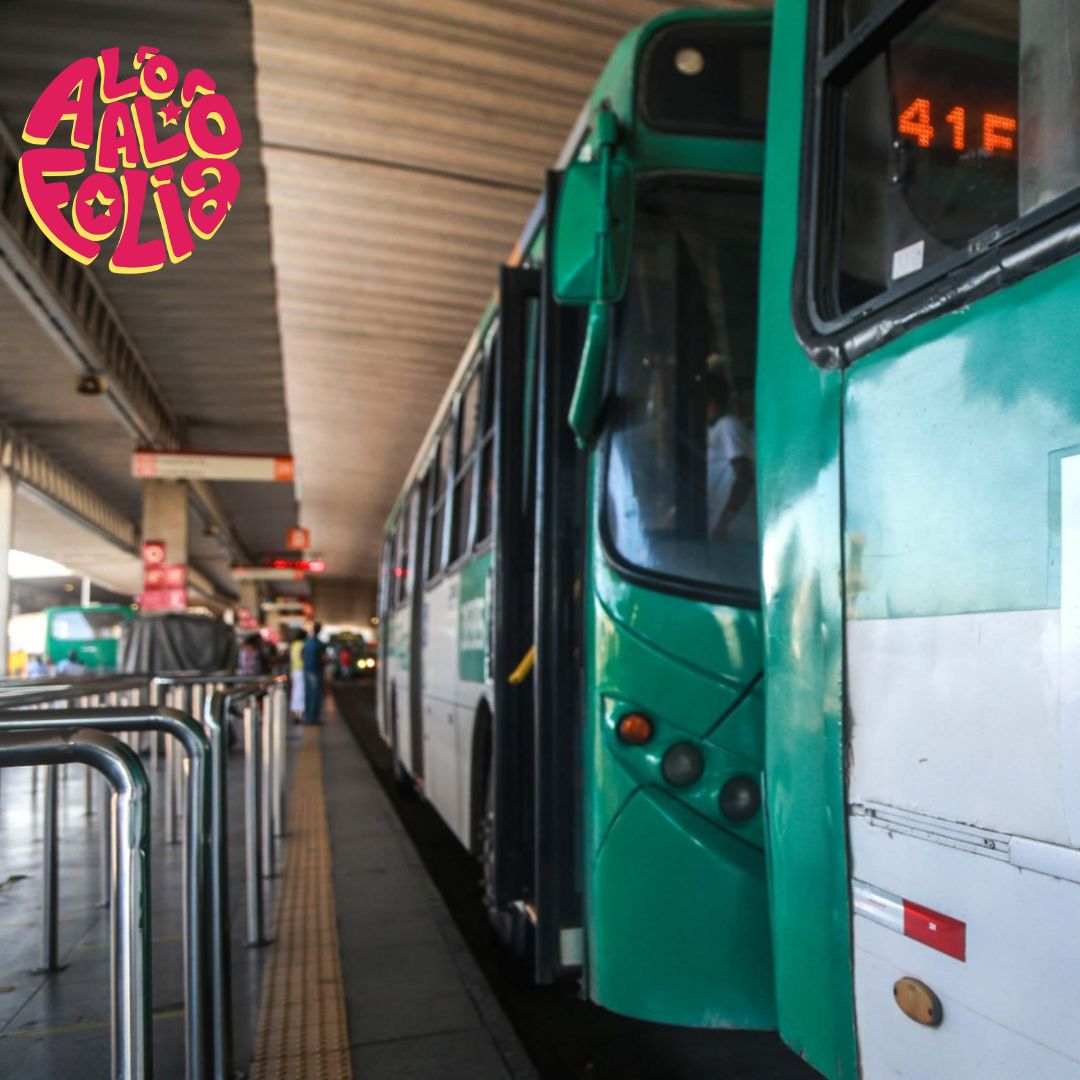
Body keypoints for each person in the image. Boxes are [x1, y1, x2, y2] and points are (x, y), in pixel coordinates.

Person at [705, 369, 757, 542]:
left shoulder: (728, 426)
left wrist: (724, 522)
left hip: (732, 530)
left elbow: (745, 476)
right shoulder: (711, 430)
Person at [301, 622, 324, 725]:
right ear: (319, 630)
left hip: (307, 670)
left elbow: (302, 654)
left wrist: (306, 663)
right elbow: (324, 658)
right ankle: (313, 718)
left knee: (308, 694)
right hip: (316, 670)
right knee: (315, 695)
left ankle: (307, 717)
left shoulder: (307, 642)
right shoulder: (320, 644)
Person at [289, 629, 306, 722]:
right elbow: (302, 656)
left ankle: (295, 713)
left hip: (294, 670)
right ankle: (299, 714)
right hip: (301, 670)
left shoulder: (293, 644)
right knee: (301, 692)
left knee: (295, 691)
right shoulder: (302, 644)